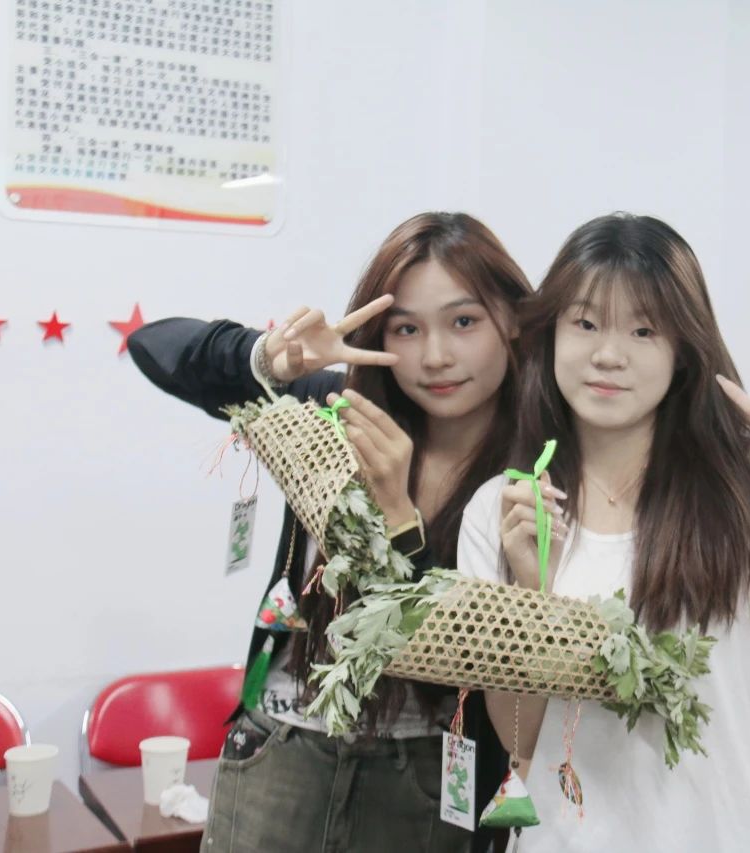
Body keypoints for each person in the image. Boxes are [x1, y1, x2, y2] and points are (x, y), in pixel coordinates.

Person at [456, 213, 750, 851]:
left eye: (644, 330)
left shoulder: (747, 494)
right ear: (551, 333)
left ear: (682, 352)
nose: (609, 354)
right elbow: (519, 738)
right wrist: (535, 595)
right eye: (585, 323)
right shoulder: (500, 510)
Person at [128, 211, 530, 853]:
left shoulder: (534, 467)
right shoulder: (340, 408)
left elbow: (463, 648)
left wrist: (400, 519)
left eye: (464, 322)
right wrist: (271, 357)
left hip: (433, 774)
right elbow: (156, 346)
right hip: (281, 748)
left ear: (511, 320)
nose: (435, 356)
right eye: (406, 329)